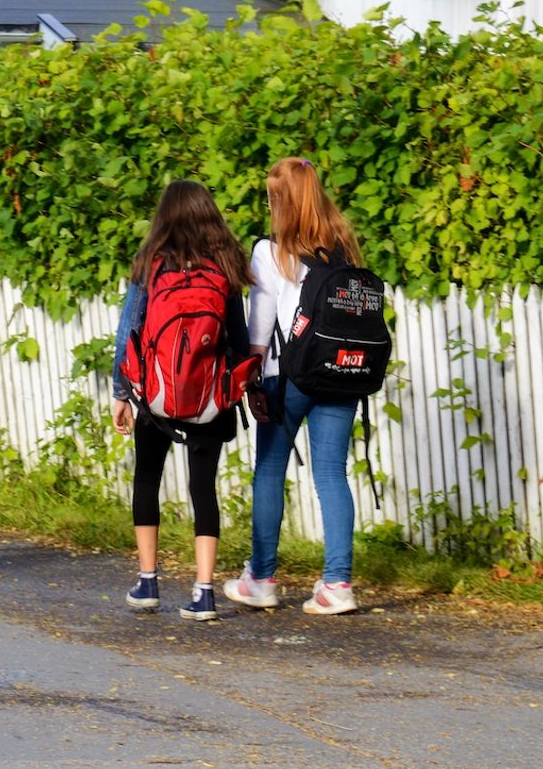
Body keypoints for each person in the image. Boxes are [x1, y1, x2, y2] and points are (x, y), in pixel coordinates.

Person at [224, 157, 362, 615]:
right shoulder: (343, 244)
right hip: (342, 371)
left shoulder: (271, 250)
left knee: (269, 471)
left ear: (279, 200)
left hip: (288, 376)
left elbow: (260, 326)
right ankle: (337, 585)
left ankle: (261, 578)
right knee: (331, 474)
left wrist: (250, 376)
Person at [111, 180, 254, 622]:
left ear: (164, 217)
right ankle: (204, 591)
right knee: (203, 487)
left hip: (155, 395)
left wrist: (121, 393)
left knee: (147, 479)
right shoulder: (225, 266)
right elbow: (239, 338)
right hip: (210, 396)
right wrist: (238, 387)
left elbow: (129, 332)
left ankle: (149, 582)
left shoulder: (151, 265)